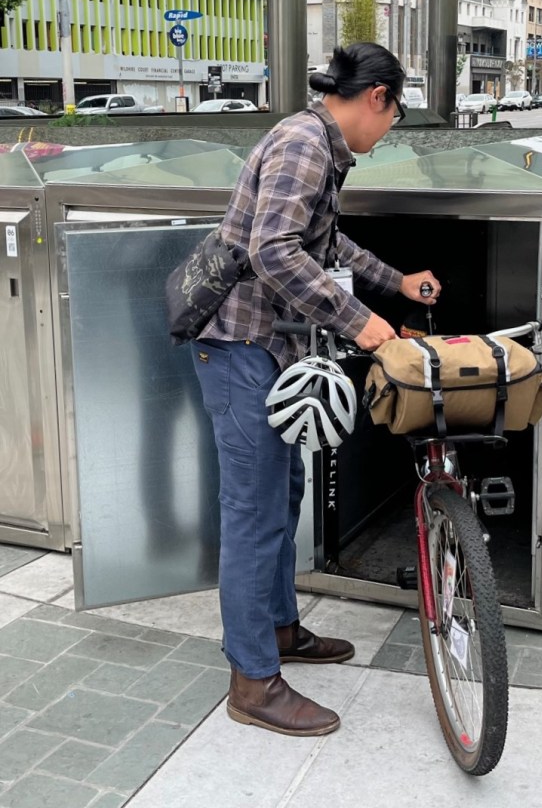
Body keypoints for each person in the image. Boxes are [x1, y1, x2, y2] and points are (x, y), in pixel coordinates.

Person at [190, 42, 440, 738]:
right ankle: (253, 681)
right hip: (240, 346)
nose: (386, 132)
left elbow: (325, 247)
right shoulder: (305, 143)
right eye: (392, 117)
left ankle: (279, 631)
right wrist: (362, 324)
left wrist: (396, 281)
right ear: (377, 97)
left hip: (265, 347)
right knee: (254, 513)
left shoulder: (318, 144)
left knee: (284, 496)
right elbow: (274, 253)